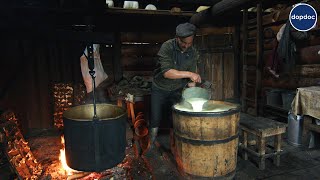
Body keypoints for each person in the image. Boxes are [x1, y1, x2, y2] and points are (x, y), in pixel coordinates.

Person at [148, 22, 201, 150]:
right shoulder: (167, 47)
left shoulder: (192, 51)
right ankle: (150, 144)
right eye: (184, 43)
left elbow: (191, 80)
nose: (186, 46)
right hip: (160, 88)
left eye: (189, 43)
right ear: (177, 38)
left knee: (175, 120)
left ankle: (174, 145)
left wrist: (192, 94)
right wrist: (190, 73)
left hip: (177, 90)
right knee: (155, 118)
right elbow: (167, 73)